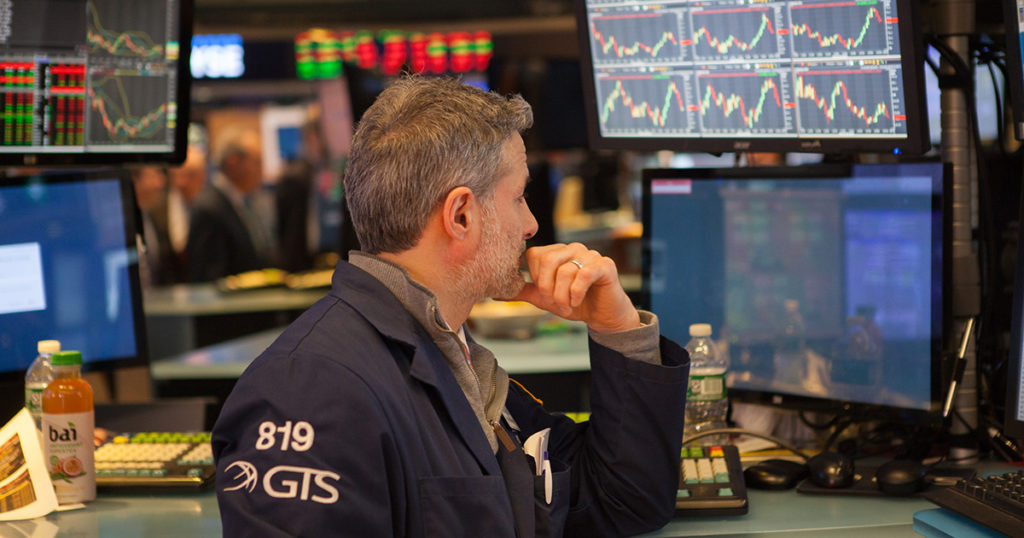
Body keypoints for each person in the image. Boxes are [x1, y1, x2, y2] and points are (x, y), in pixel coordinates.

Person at [212, 77, 689, 537]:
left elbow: (622, 500)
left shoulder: (450, 353)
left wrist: (617, 327)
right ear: (461, 215)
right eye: (519, 197)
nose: (531, 224)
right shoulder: (310, 391)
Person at [186, 127, 273, 282]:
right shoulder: (210, 209)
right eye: (256, 162)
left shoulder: (244, 202)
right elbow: (208, 278)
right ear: (233, 161)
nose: (262, 171)